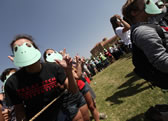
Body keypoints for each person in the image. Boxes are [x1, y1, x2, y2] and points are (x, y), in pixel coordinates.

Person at [4, 34, 90, 121]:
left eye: (27, 45)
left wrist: (68, 71)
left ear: (36, 49)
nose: (23, 50)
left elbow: (74, 90)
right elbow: (19, 111)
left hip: (62, 112)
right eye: (17, 49)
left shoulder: (53, 67)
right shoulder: (12, 83)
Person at [122, 0, 168, 119]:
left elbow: (162, 11)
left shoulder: (148, 22)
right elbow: (163, 62)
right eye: (146, 3)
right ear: (134, 12)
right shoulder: (142, 32)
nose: (150, 3)